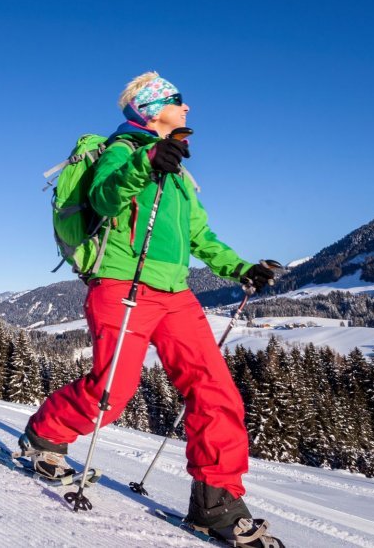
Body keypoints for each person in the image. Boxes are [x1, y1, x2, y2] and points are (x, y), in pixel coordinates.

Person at [19, 72, 282, 547]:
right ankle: (45, 434)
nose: (188, 109)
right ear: (152, 108)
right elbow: (105, 196)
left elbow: (201, 237)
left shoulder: (180, 173)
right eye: (179, 101)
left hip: (175, 295)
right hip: (122, 284)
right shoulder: (122, 151)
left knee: (216, 390)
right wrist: (147, 162)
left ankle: (216, 503)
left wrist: (242, 268)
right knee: (112, 392)